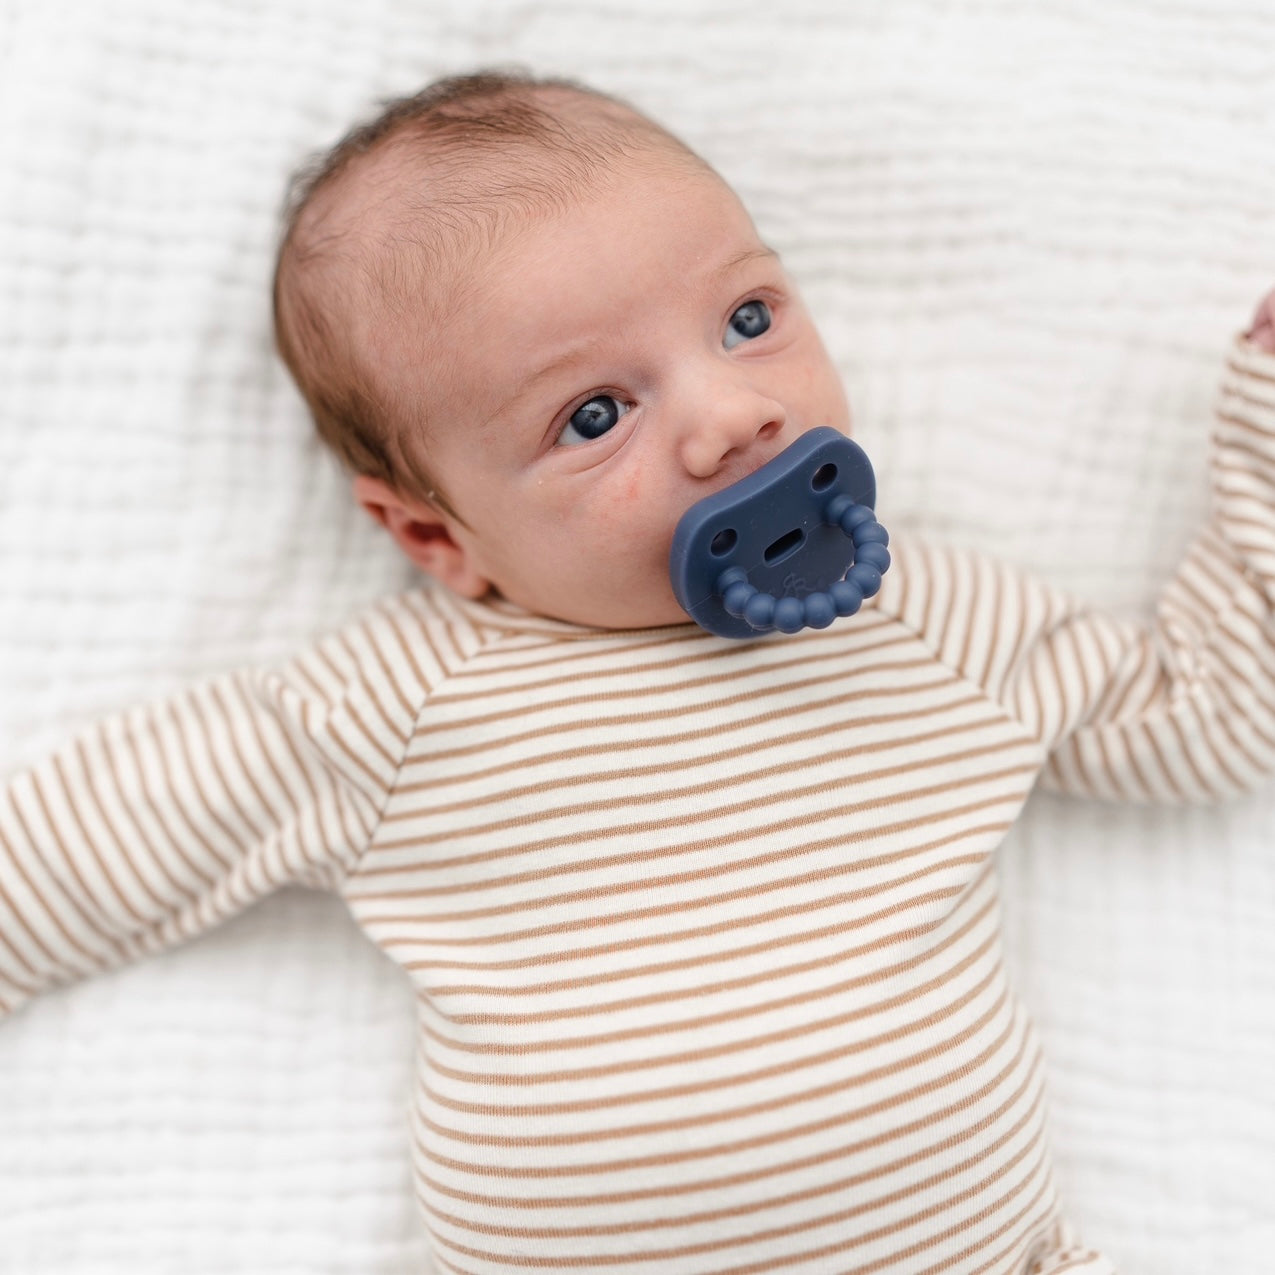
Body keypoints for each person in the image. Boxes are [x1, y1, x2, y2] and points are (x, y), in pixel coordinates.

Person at [3, 69, 1274, 1274]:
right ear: (437, 538)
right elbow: (82, 846)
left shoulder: (926, 618)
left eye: (748, 318)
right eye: (595, 416)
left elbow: (1205, 718)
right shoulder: (391, 706)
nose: (734, 414)